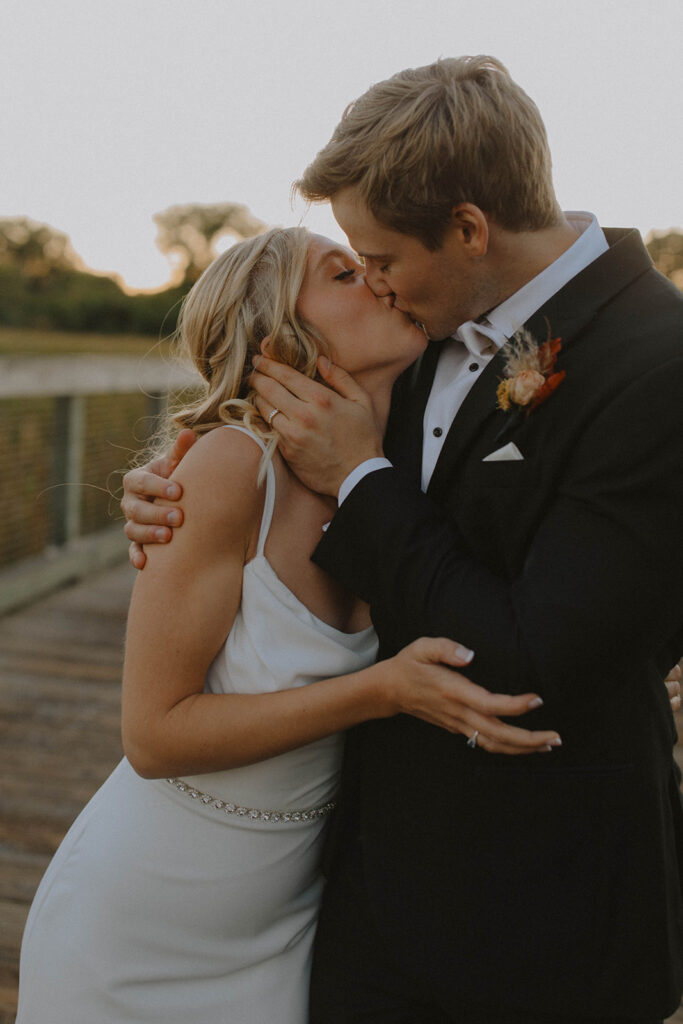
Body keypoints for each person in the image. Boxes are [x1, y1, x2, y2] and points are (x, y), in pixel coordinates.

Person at [123, 58, 683, 1022]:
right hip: (357, 894)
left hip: (544, 910)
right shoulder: (423, 332)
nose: (374, 285)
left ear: (468, 227)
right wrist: (169, 494)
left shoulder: (655, 365)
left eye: (378, 258)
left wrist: (361, 480)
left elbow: (536, 660)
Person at [16, 227, 560, 1024]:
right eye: (346, 273)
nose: (378, 280)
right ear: (281, 340)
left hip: (286, 926)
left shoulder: (406, 475)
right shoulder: (231, 468)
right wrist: (381, 691)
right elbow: (154, 735)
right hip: (141, 923)